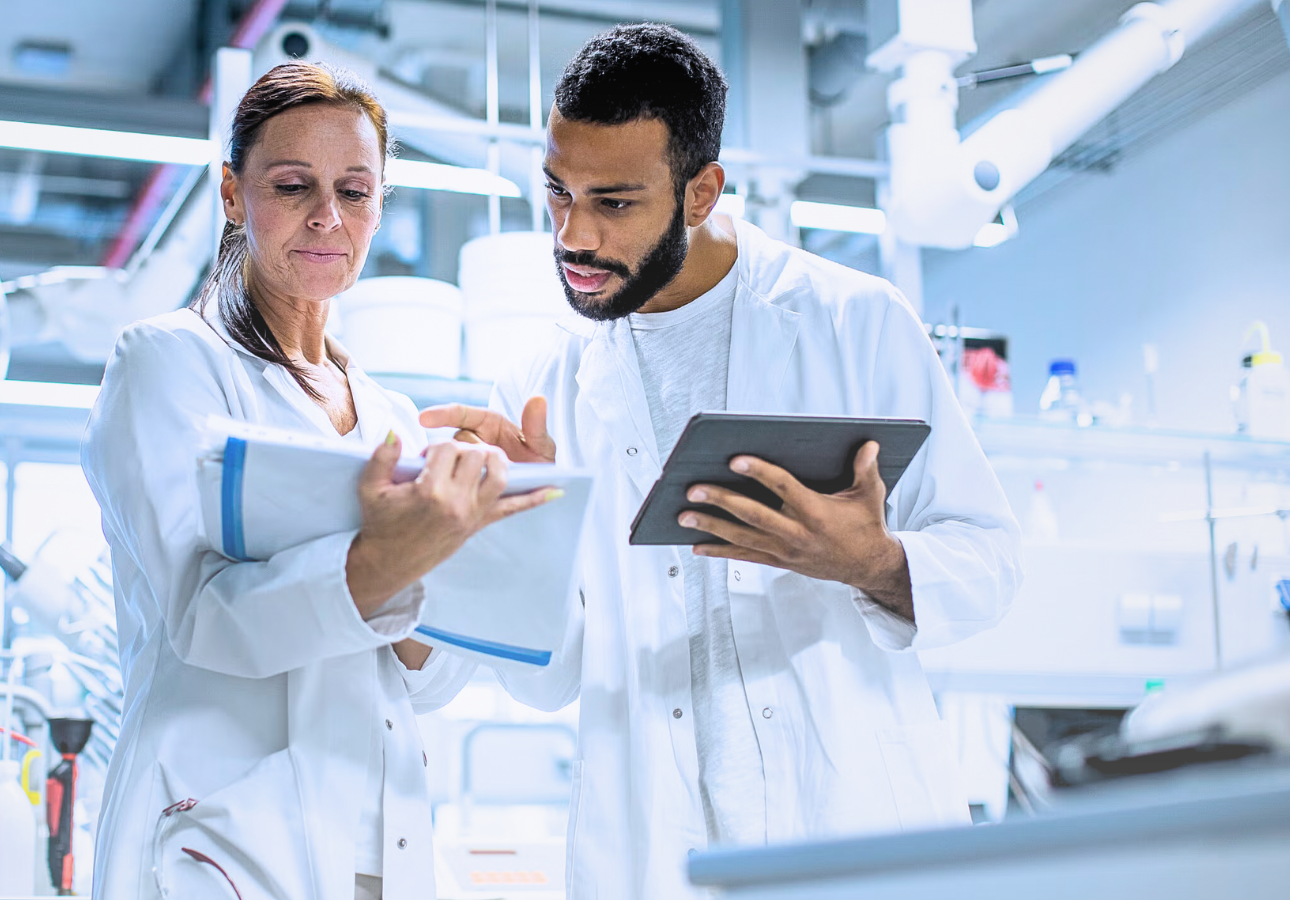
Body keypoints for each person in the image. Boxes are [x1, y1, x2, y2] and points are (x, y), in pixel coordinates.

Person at [421, 24, 1023, 900]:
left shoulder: (852, 323)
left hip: (850, 833)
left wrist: (874, 563)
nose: (573, 236)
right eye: (558, 193)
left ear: (701, 192)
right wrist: (520, 543)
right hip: (652, 857)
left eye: (615, 203)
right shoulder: (541, 384)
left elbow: (992, 560)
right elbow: (550, 680)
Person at [82, 62, 549, 900]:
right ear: (232, 193)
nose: (328, 217)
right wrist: (386, 556)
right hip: (220, 834)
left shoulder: (391, 416)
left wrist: (490, 534)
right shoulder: (168, 365)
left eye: (356, 191)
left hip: (378, 844)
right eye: (292, 185)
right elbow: (205, 616)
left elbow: (427, 678)